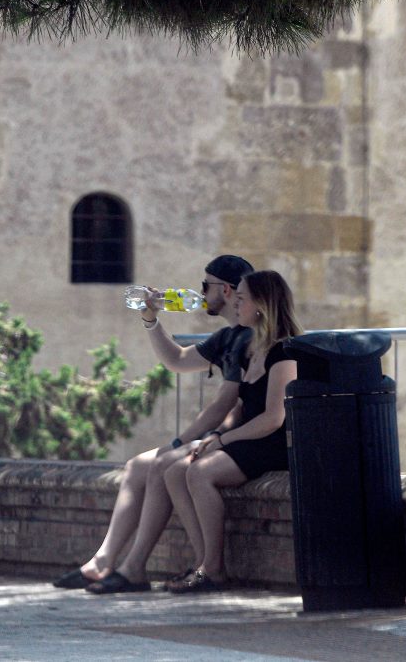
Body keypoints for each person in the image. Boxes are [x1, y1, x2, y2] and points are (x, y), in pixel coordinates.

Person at [52, 254, 254, 594]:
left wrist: (178, 443)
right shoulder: (227, 336)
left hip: (239, 437)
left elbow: (223, 404)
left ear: (228, 289)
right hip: (224, 435)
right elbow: (176, 359)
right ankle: (103, 562)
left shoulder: (248, 336)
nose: (201, 292)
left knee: (163, 463)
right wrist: (150, 319)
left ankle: (135, 568)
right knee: (136, 466)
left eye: (206, 286)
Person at [163, 270, 302, 593]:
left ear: (262, 305)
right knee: (174, 472)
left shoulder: (285, 352)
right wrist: (214, 436)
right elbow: (240, 408)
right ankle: (204, 563)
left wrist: (223, 440)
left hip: (274, 442)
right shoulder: (248, 347)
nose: (234, 304)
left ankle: (214, 569)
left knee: (199, 473)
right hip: (247, 437)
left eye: (241, 298)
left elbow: (272, 418)